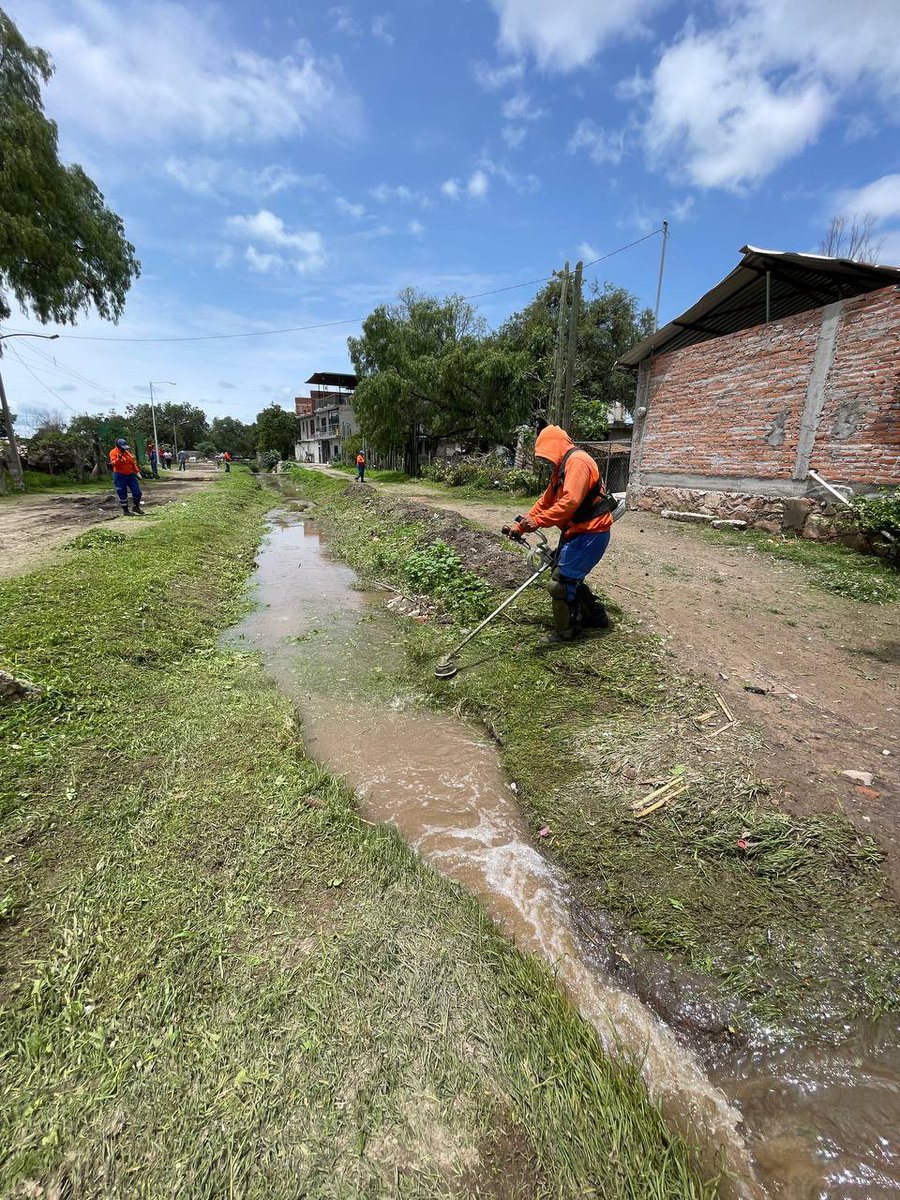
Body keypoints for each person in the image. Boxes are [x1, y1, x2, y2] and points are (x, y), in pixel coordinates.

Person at [504, 424, 614, 643]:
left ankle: (568, 632)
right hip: (578, 532)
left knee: (560, 584)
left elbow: (570, 502)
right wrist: (519, 527)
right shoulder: (561, 470)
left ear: (555, 447)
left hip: (591, 532)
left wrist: (537, 522)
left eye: (546, 455)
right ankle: (594, 617)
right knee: (567, 577)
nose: (545, 461)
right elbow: (545, 502)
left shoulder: (578, 462)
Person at [109, 438, 144, 516]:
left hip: (131, 476)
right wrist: (119, 458)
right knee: (122, 494)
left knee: (137, 493)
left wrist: (138, 473)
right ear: (118, 446)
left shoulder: (127, 453)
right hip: (120, 476)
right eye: (122, 447)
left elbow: (133, 463)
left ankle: (136, 507)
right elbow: (113, 464)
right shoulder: (113, 452)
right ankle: (126, 511)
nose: (123, 449)